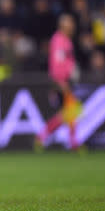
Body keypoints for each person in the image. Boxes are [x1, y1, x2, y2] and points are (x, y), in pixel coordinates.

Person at [35, 14, 82, 151]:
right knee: (70, 111)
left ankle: (44, 137)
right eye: (70, 23)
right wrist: (60, 81)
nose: (73, 26)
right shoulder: (59, 40)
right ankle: (70, 142)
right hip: (61, 82)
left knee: (69, 112)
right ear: (63, 25)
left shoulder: (66, 40)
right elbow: (57, 64)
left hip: (65, 81)